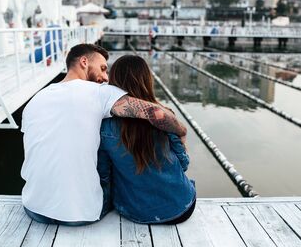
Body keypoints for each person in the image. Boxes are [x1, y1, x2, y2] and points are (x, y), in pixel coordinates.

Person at [21, 44, 186, 226]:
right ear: (84, 62)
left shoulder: (35, 99)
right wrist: (181, 131)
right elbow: (157, 114)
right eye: (102, 68)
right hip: (81, 215)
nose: (105, 78)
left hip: (33, 207)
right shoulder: (101, 93)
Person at [98, 55, 196, 224]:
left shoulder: (104, 127)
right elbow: (184, 164)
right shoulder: (165, 117)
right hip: (182, 207)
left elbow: (104, 174)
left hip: (134, 212)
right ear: (146, 80)